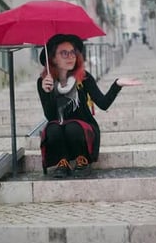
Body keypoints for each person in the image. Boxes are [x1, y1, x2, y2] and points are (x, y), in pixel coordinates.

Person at [37, 34, 141, 178]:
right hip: (59, 129)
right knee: (53, 128)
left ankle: (83, 160)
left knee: (72, 127)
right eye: (64, 53)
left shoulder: (83, 77)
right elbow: (49, 116)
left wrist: (117, 84)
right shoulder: (43, 82)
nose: (70, 56)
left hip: (83, 129)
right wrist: (47, 92)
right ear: (53, 58)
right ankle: (62, 162)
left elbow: (103, 104)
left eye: (73, 52)